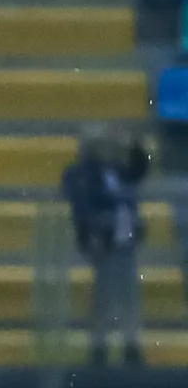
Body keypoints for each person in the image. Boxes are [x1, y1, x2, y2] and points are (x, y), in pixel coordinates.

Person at [63, 132, 149, 372]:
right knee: (104, 297)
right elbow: (78, 195)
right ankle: (99, 346)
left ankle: (130, 344)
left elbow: (141, 168)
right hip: (106, 244)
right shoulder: (87, 173)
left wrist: (133, 144)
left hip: (125, 241)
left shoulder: (119, 171)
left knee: (128, 295)